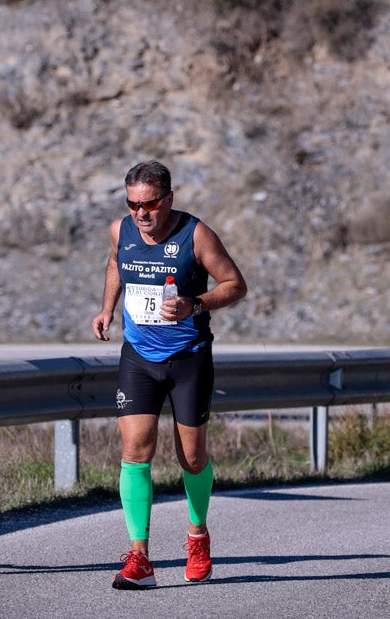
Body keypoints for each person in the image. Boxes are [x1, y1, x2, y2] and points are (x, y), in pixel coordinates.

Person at [91, 160, 247, 589]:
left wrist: (194, 304)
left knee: (191, 458)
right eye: (133, 204)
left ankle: (197, 536)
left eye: (150, 204)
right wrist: (107, 308)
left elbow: (235, 284)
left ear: (169, 198)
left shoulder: (195, 234)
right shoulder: (120, 229)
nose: (141, 213)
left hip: (188, 358)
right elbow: (115, 263)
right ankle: (139, 557)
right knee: (134, 450)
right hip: (138, 357)